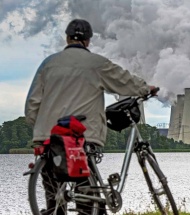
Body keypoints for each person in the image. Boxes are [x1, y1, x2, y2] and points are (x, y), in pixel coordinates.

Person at [25, 19, 157, 214]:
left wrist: (40, 127)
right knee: (86, 190)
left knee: (54, 193)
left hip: (49, 136)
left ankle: (55, 209)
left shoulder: (48, 64)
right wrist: (146, 88)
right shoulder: (96, 63)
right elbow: (124, 80)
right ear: (88, 41)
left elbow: (32, 104)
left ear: (67, 38)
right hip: (82, 135)